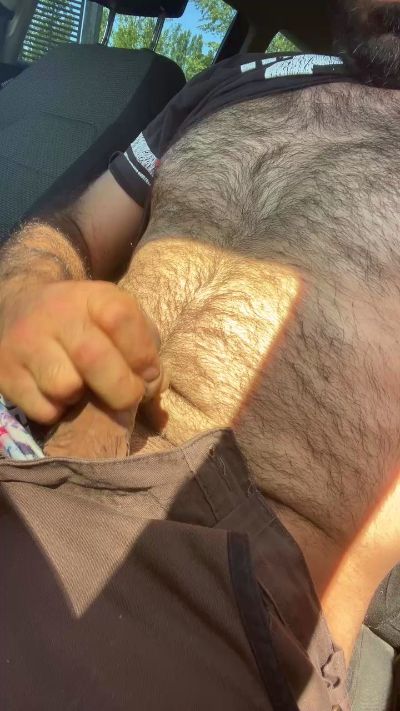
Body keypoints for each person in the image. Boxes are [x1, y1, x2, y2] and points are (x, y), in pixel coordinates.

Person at [1, 0, 400, 708]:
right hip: (24, 436)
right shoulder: (231, 83)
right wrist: (22, 294)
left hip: (226, 594)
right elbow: (76, 226)